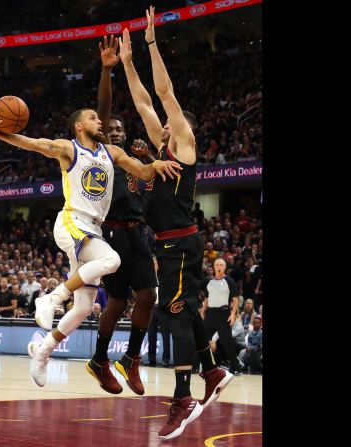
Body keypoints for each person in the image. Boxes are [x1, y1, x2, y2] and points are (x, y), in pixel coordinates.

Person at [0, 46, 182, 387]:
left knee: (85, 307)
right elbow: (33, 144)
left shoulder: (112, 151)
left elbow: (144, 172)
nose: (98, 121)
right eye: (92, 117)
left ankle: (42, 349)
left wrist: (157, 162)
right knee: (112, 261)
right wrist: (0, 134)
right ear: (79, 126)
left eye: (97, 117)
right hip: (72, 222)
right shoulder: (68, 148)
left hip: (93, 230)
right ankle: (50, 297)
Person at [118, 11, 232, 439]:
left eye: (168, 122)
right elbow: (144, 102)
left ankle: (183, 397)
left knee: (175, 311)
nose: (161, 123)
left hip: (180, 243)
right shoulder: (161, 148)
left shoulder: (183, 143)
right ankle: (214, 372)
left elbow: (162, 93)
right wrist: (128, 64)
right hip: (171, 243)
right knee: (182, 308)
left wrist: (149, 45)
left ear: (181, 128)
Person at [84, 35, 159, 396]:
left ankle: (130, 359)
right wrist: (106, 70)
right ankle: (100, 358)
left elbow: (152, 188)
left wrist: (147, 159)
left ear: (126, 137)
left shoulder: (133, 163)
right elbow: (104, 108)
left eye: (118, 131)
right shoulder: (103, 155)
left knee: (148, 296)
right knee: (116, 301)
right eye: (108, 129)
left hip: (137, 234)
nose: (113, 131)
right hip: (111, 233)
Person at [202, 259, 242, 375]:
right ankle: (197, 366)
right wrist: (203, 312)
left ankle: (236, 368)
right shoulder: (209, 282)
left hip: (223, 314)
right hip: (210, 314)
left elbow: (235, 299)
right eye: (217, 265)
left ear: (224, 267)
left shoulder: (229, 281)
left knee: (227, 342)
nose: (219, 266)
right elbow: (206, 299)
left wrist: (233, 314)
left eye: (221, 265)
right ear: (213, 267)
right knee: (202, 340)